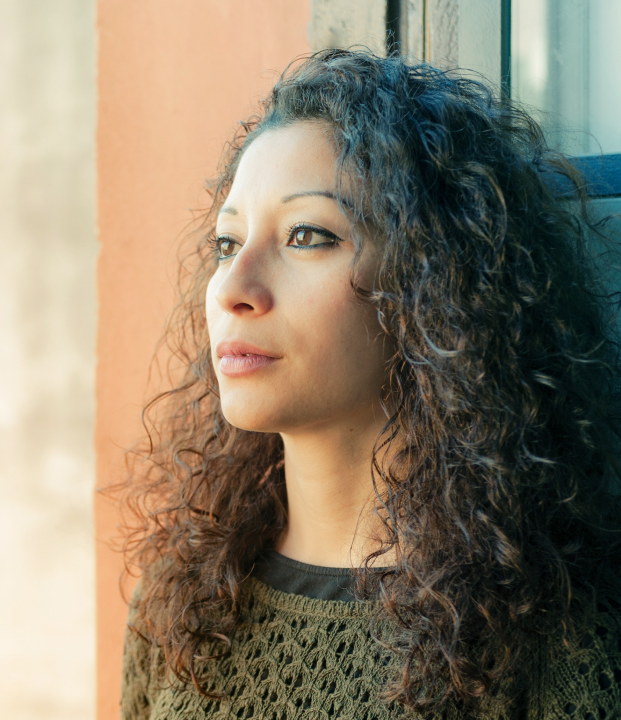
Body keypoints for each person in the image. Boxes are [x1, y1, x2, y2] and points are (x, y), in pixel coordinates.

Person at [117, 49, 621, 719]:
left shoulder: (556, 630)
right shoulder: (182, 605)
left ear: (433, 287)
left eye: (306, 235)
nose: (233, 290)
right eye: (227, 243)